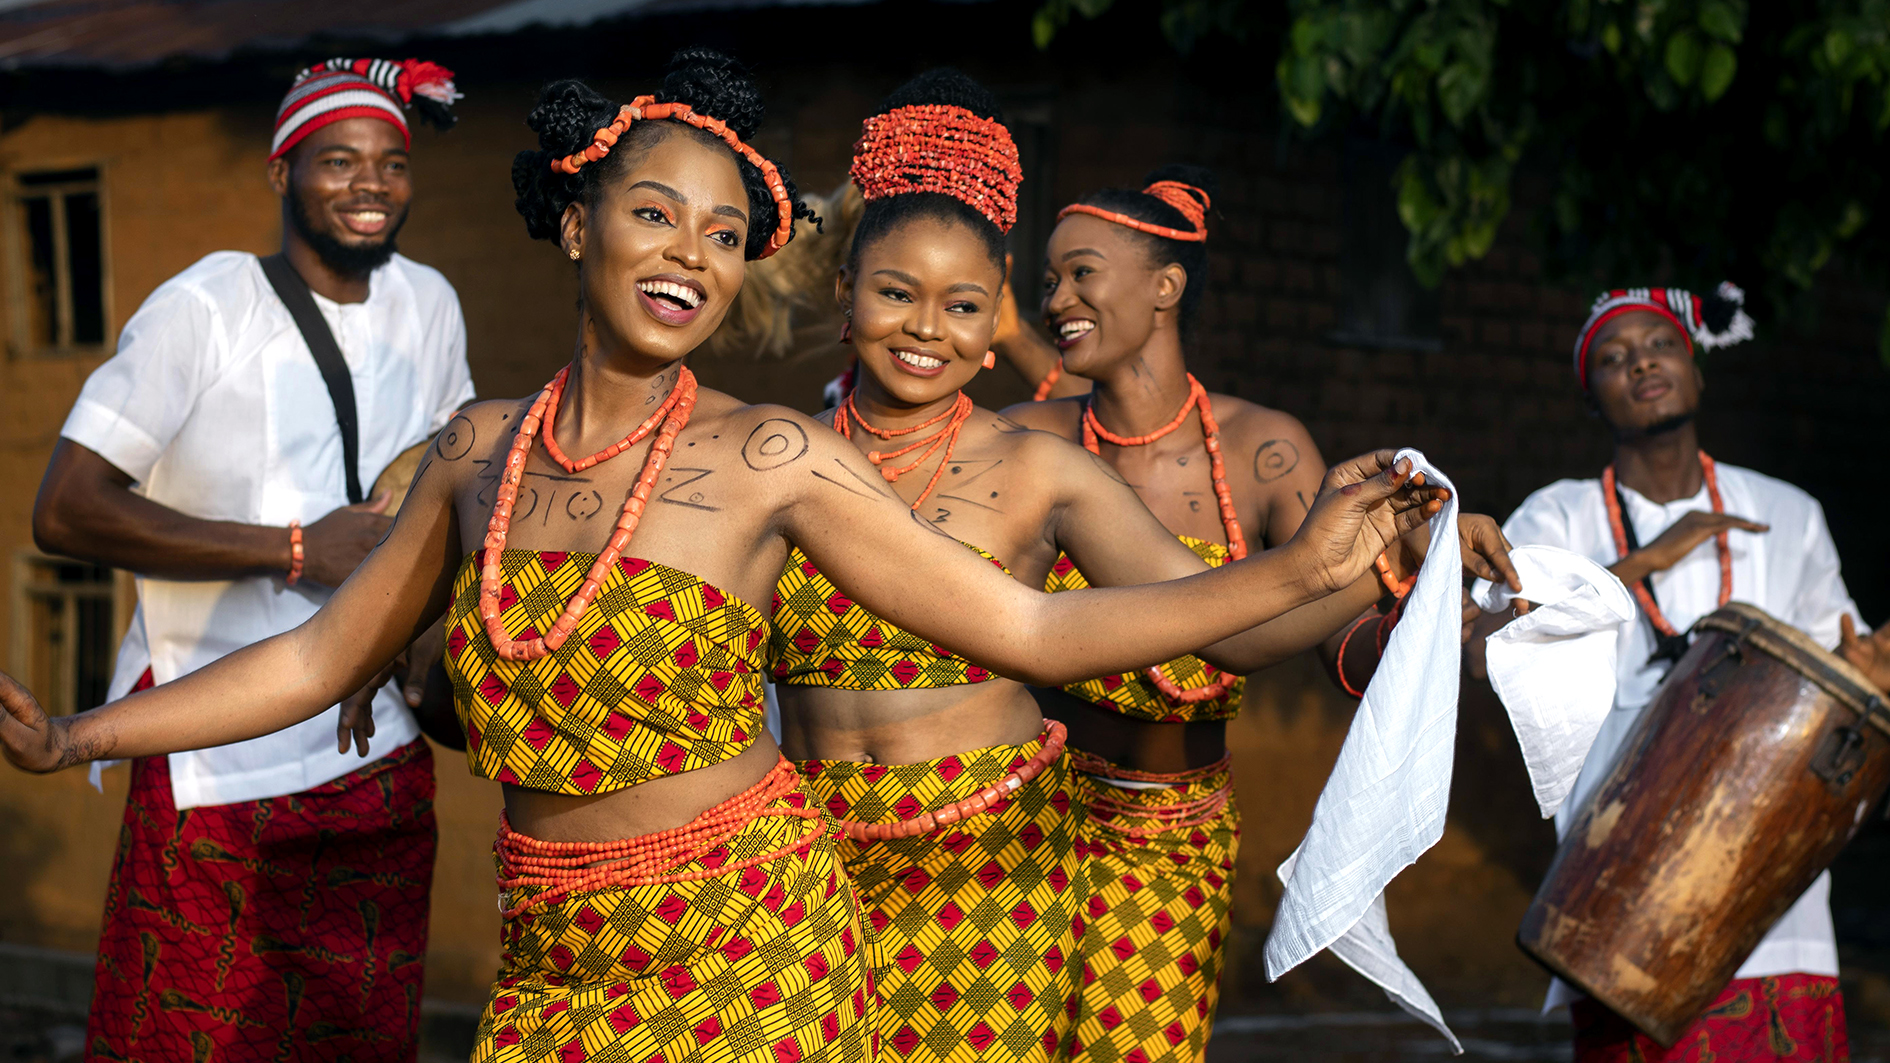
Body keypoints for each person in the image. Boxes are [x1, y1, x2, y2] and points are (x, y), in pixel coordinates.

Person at [2, 49, 1449, 1062]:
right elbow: (322, 651)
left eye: (722, 227)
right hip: (560, 961)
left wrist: (1309, 566)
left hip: (758, 945)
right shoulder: (475, 455)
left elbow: (1035, 630)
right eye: (652, 211)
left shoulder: (774, 459)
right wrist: (79, 732)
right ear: (574, 226)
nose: (690, 247)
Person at [771, 70, 1503, 1063]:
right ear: (848, 293)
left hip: (1007, 872)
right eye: (896, 292)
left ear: (993, 330)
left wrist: (1374, 558)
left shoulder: (1052, 467)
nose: (925, 325)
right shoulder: (776, 459)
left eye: (963, 303)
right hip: (801, 867)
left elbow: (1239, 626)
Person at [995, 169, 1506, 1062]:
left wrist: (1433, 623)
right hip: (1019, 822)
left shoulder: (1266, 452)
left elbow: (1343, 647)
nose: (1057, 299)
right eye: (1048, 281)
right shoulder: (1024, 438)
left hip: (1174, 832)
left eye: (1080, 273)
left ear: (1166, 285)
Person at [27, 56, 469, 1059]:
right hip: (215, 761)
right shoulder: (206, 306)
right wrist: (297, 547)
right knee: (184, 1038)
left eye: (392, 163)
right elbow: (68, 508)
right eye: (338, 160)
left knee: (363, 1035)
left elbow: (444, 477)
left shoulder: (431, 304)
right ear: (282, 173)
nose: (370, 185)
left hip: (375, 749)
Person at [1489, 284, 1890, 1062]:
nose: (1640, 362)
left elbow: (1844, 677)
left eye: (1659, 345)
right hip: (1621, 906)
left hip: (1780, 907)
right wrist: (1641, 564)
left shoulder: (1788, 511)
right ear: (1590, 398)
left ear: (1698, 371)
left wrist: (1868, 666)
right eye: (1613, 357)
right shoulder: (1557, 518)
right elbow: (1489, 645)